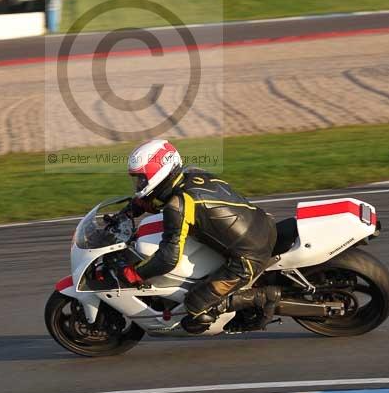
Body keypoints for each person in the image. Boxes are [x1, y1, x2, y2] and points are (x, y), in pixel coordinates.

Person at [118, 139, 277, 333]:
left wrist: (135, 274)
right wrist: (129, 210)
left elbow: (168, 259)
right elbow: (162, 199)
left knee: (194, 306)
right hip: (263, 223)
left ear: (157, 173)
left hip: (249, 258)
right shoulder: (191, 174)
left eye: (141, 178)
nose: (139, 183)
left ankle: (263, 296)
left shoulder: (177, 205)